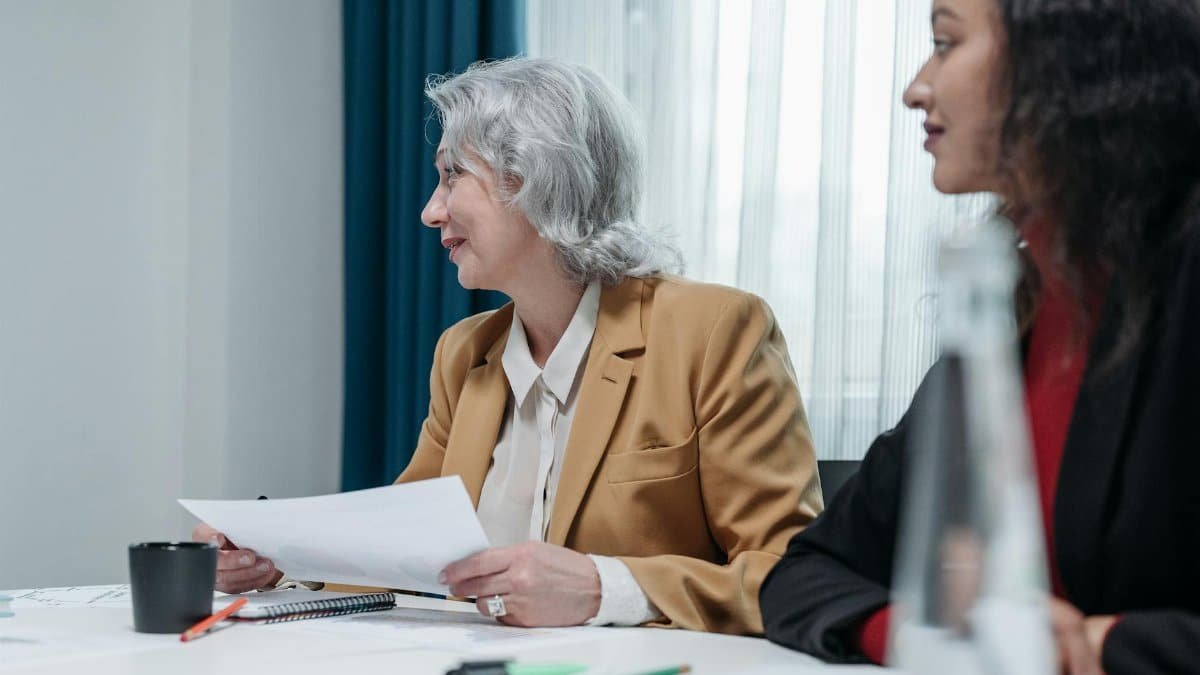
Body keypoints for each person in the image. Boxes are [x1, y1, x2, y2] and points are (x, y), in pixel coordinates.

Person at [195, 57, 822, 634]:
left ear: (535, 178)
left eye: (451, 177)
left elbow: (795, 579)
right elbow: (396, 550)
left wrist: (608, 589)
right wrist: (274, 559)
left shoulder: (715, 330)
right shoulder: (463, 352)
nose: (429, 212)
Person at [759, 1, 1200, 673]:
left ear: (1066, 56)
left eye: (945, 42)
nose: (916, 87)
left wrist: (1102, 644)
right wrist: (912, 626)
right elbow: (806, 570)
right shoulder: (1017, 310)